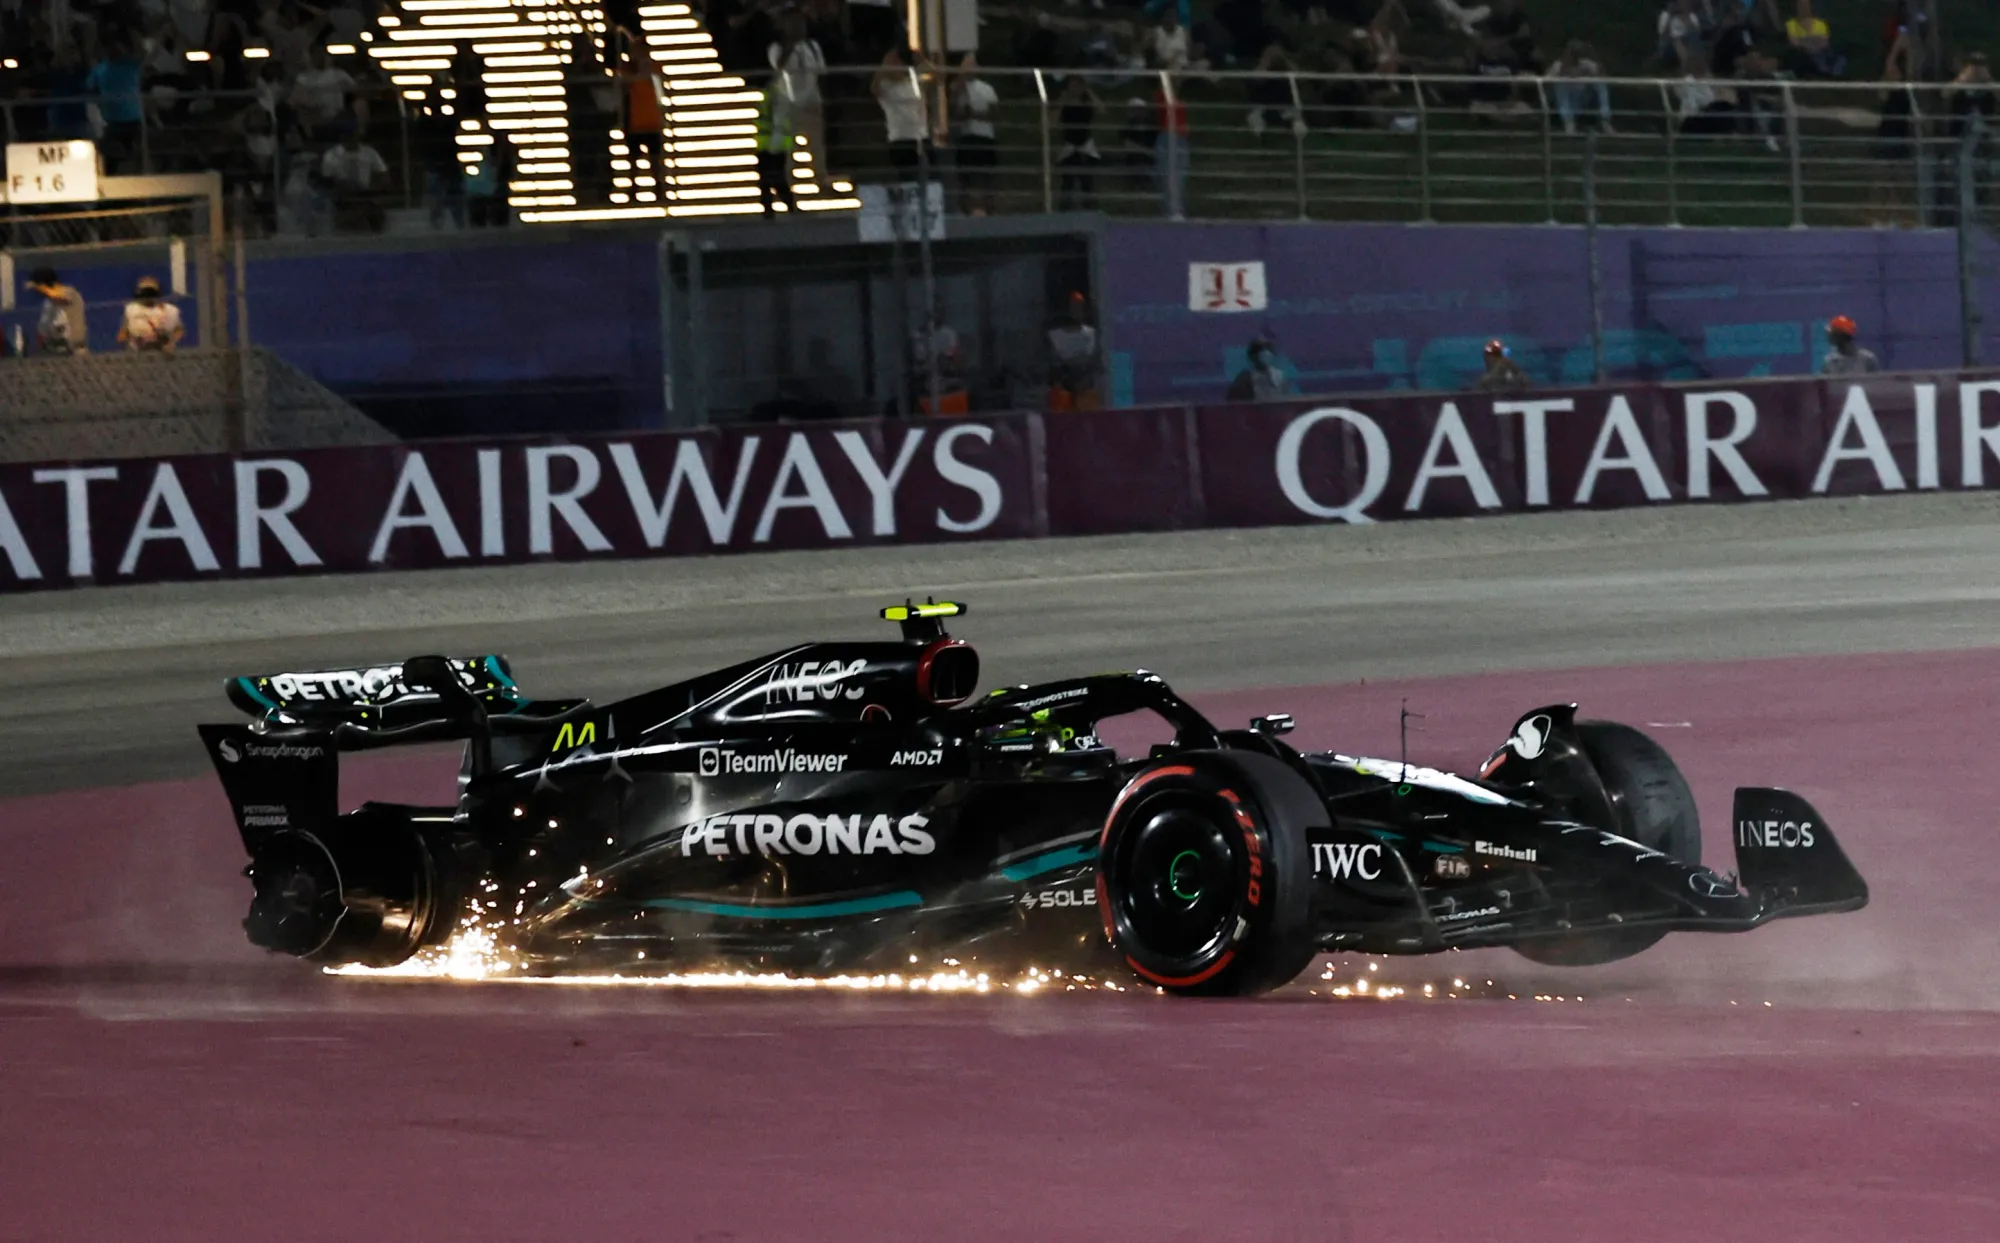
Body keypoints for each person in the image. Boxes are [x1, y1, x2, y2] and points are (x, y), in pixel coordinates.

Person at [767, 13, 825, 185]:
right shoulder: (776, 48)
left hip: (812, 101)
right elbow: (779, 66)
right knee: (788, 147)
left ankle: (820, 180)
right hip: (787, 103)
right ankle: (789, 183)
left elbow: (820, 71)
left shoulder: (812, 46)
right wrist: (790, 46)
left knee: (816, 146)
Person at [951, 54, 999, 216]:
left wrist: (975, 114)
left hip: (985, 137)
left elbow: (994, 113)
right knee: (968, 177)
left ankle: (987, 208)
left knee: (986, 177)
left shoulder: (987, 88)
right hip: (968, 137)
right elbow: (956, 111)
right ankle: (968, 209)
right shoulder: (958, 88)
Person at [872, 46, 930, 182]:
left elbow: (936, 76)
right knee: (907, 179)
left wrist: (922, 61)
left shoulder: (913, 82)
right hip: (900, 138)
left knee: (926, 179)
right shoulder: (886, 86)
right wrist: (884, 65)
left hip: (921, 137)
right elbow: (874, 88)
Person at [320, 130, 390, 231]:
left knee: (376, 215)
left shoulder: (370, 152)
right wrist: (344, 187)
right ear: (341, 136)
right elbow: (327, 181)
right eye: (347, 133)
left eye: (353, 133)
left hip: (367, 196)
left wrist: (373, 191)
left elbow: (384, 175)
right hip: (342, 200)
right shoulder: (331, 155)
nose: (350, 137)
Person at [1046, 292, 1102, 410]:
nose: (1077, 311)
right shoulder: (1055, 336)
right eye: (1073, 307)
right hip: (1063, 393)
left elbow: (1096, 363)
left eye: (1080, 307)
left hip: (1086, 392)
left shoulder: (1092, 334)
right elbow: (1053, 366)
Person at [1551, 39, 1613, 135]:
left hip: (1584, 99)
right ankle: (1569, 122)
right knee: (1560, 85)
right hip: (1567, 102)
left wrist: (1594, 56)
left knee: (1599, 83)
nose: (1574, 54)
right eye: (1571, 52)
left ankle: (1604, 119)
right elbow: (1546, 81)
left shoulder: (1586, 64)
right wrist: (1564, 68)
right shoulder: (1558, 65)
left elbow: (1602, 74)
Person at [27, 268, 88, 355]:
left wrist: (42, 288)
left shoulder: (70, 293)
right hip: (54, 353)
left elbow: (63, 300)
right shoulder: (47, 304)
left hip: (75, 351)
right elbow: (42, 331)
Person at [118, 277, 185, 353]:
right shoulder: (131, 309)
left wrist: (171, 343)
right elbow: (123, 332)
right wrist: (125, 342)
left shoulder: (170, 310)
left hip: (163, 352)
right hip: (138, 352)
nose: (147, 295)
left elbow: (179, 330)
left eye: (150, 292)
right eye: (144, 292)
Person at [1784, 0, 1845, 78]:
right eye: (1801, 6)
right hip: (1803, 55)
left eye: (1805, 5)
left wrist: (1803, 40)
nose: (1803, 8)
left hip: (1821, 53)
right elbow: (1794, 43)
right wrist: (1814, 40)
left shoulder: (1821, 23)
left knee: (1840, 59)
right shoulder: (1791, 24)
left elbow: (1824, 43)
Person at [1227, 338, 1292, 400]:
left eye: (1268, 350)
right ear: (1252, 356)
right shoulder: (1244, 378)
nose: (1266, 354)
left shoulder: (1280, 376)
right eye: (1261, 350)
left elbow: (1287, 398)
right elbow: (1235, 402)